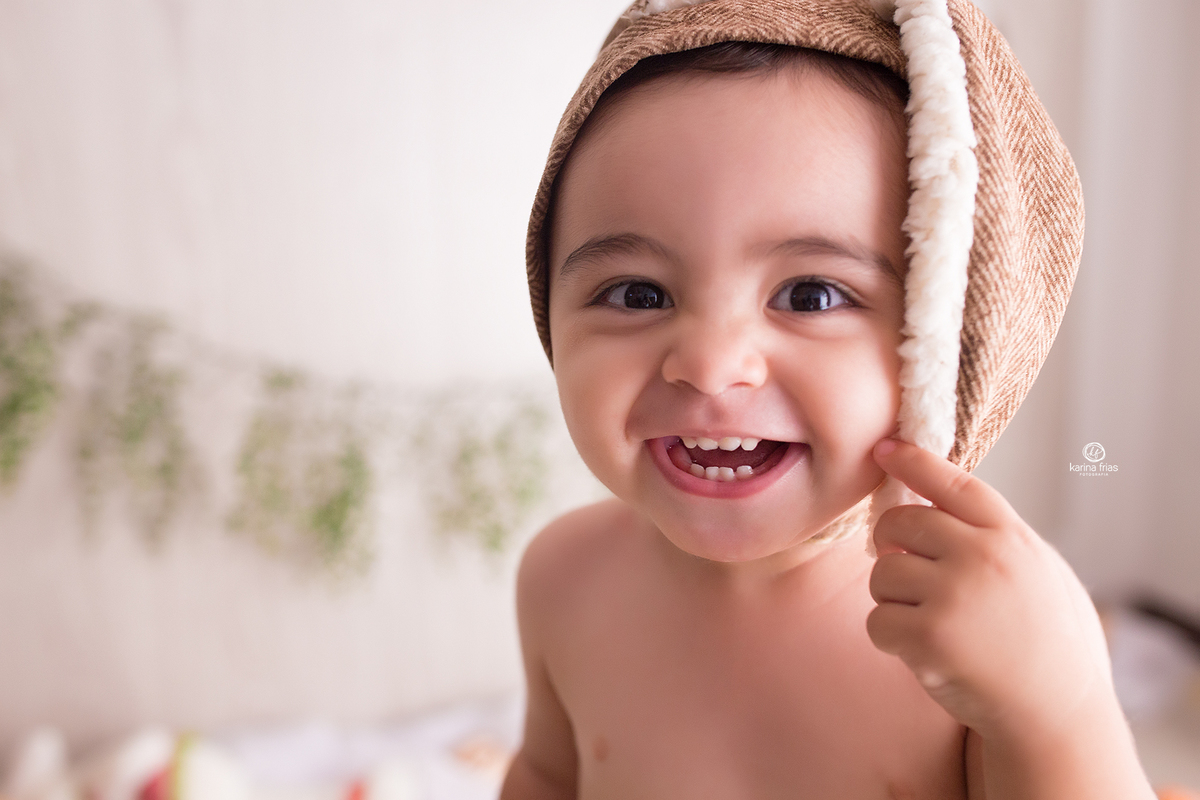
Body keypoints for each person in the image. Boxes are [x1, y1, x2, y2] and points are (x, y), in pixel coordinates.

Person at [501, 1, 1157, 797]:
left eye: (810, 295)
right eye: (637, 293)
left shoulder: (977, 640)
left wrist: (1060, 708)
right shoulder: (563, 578)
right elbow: (544, 774)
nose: (710, 367)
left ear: (944, 341)